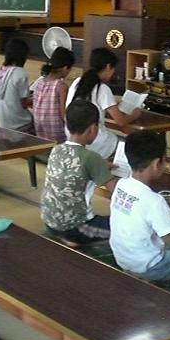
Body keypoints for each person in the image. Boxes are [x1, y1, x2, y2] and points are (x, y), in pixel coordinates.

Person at [109, 130, 170, 282]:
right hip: (150, 266)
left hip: (124, 259)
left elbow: (140, 206)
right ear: (157, 163)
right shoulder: (154, 201)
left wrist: (169, 204)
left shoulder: (121, 184)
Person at [40, 100, 117, 246]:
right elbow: (117, 192)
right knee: (126, 228)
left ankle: (69, 238)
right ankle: (74, 239)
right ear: (93, 129)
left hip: (49, 222)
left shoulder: (57, 149)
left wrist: (101, 166)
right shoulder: (91, 157)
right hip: (76, 227)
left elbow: (75, 167)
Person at [66, 48, 140, 159]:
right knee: (132, 146)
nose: (113, 73)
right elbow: (121, 121)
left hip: (72, 136)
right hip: (95, 141)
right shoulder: (103, 88)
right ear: (108, 66)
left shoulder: (77, 82)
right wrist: (135, 115)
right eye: (113, 69)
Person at [31, 46, 74, 142]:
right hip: (56, 134)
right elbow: (63, 113)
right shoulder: (61, 86)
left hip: (39, 131)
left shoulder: (39, 82)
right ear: (65, 68)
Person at [0, 38, 33, 133]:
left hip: (3, 124)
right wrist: (36, 98)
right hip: (20, 123)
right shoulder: (21, 73)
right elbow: (24, 104)